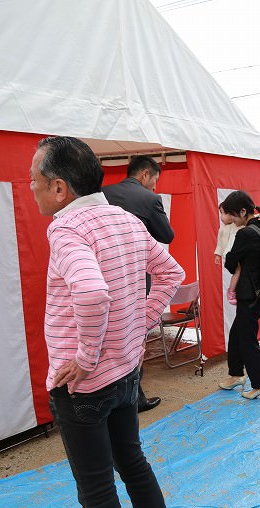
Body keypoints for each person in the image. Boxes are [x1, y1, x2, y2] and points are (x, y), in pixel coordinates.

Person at [30, 136, 184, 508]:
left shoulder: (66, 228)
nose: (30, 187)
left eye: (35, 179)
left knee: (97, 491)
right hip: (126, 373)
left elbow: (92, 292)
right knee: (133, 465)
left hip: (85, 385)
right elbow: (172, 273)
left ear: (59, 187)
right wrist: (141, 322)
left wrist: (85, 356)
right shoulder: (127, 220)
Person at [103, 155, 174, 412]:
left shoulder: (102, 192)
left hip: (102, 275)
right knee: (134, 334)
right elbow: (167, 234)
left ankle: (109, 394)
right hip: (133, 277)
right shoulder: (150, 199)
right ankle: (134, 397)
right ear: (145, 174)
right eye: (155, 180)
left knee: (106, 334)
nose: (155, 187)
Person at [218, 191, 260, 400]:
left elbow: (230, 262)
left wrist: (232, 257)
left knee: (247, 339)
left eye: (233, 215)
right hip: (259, 292)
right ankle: (237, 374)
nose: (233, 220)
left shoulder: (245, 233)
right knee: (238, 333)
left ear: (242, 211)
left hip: (250, 294)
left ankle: (259, 384)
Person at [215, 202, 241, 305]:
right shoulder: (223, 229)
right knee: (238, 271)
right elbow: (220, 243)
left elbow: (254, 218)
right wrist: (217, 254)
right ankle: (231, 291)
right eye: (221, 213)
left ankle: (233, 290)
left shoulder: (237, 225)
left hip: (236, 252)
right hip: (230, 254)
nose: (223, 216)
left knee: (238, 271)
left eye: (226, 213)